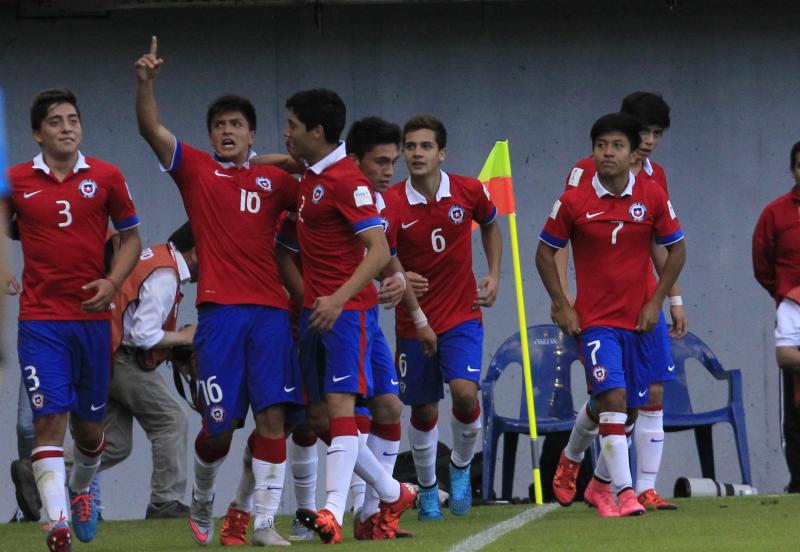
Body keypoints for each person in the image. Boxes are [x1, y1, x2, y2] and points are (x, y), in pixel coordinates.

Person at [135, 36, 303, 547]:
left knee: (274, 417)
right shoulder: (197, 171)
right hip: (220, 316)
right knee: (218, 432)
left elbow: (317, 185)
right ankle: (204, 500)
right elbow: (151, 129)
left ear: (251, 133)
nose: (226, 131)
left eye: (236, 125)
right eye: (219, 126)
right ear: (209, 136)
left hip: (272, 313)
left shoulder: (277, 182)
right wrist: (146, 83)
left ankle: (266, 523)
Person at [5, 87, 141, 551]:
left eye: (73, 120)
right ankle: (56, 523)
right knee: (48, 422)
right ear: (37, 133)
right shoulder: (16, 180)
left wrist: (112, 283)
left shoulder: (106, 175)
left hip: (92, 320)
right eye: (57, 121)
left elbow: (133, 239)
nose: (67, 128)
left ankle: (82, 488)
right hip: (41, 320)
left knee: (89, 430)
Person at [279, 88, 416, 543]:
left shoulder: (345, 181)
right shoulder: (313, 176)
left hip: (347, 315)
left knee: (348, 409)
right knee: (319, 419)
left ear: (317, 132)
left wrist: (338, 297)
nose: (287, 133)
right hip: (322, 315)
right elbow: (282, 164)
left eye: (293, 126)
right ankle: (390, 493)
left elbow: (378, 251)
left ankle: (335, 512)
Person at [536, 112, 685, 517]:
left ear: (632, 151)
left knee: (633, 406)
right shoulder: (573, 200)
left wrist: (659, 301)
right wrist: (563, 304)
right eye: (601, 145)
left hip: (641, 320)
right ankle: (624, 493)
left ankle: (588, 474)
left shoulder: (652, 194)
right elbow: (544, 253)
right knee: (613, 398)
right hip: (597, 321)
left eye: (617, 146)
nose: (608, 153)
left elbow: (677, 250)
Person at [382, 114, 502, 520]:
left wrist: (494, 274)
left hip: (461, 313)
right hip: (412, 322)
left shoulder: (468, 190)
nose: (416, 153)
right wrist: (399, 277)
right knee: (425, 410)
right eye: (410, 146)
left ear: (442, 153)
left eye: (425, 146)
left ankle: (462, 469)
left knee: (466, 393)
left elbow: (490, 223)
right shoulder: (392, 202)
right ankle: (429, 488)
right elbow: (384, 255)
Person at [101, 221, 198, 519]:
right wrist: (183, 338)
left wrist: (172, 349)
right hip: (120, 357)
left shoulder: (157, 257)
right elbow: (143, 335)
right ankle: (164, 502)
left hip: (106, 353)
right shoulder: (166, 273)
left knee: (114, 445)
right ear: (197, 251)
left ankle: (38, 470)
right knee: (172, 419)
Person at [752, 140, 800, 494]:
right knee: (796, 408)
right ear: (792, 170)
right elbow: (762, 262)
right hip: (793, 303)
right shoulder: (776, 213)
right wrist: (784, 293)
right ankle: (798, 481)